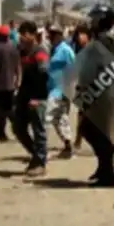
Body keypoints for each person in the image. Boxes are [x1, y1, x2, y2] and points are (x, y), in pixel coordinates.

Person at [76, 4, 114, 187]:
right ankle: (104, 168)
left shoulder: (105, 41)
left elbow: (104, 68)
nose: (91, 21)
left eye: (95, 18)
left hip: (102, 93)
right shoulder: (99, 39)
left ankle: (108, 174)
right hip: (96, 91)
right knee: (92, 130)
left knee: (96, 132)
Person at [14, 21, 50, 177]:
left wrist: (38, 97)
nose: (21, 37)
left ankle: (40, 162)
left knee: (38, 130)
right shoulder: (22, 51)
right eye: (20, 34)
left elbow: (44, 75)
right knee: (18, 128)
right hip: (24, 95)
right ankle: (36, 155)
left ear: (32, 35)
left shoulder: (40, 51)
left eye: (24, 34)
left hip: (37, 96)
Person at [46, 25, 75, 159]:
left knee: (46, 118)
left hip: (60, 90)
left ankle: (41, 150)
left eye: (53, 34)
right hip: (52, 89)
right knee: (60, 120)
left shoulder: (65, 50)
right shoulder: (53, 49)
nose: (50, 37)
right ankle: (68, 147)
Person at [0, 25, 20, 142]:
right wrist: (18, 80)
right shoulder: (13, 48)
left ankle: (2, 135)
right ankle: (18, 128)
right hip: (11, 85)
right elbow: (18, 66)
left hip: (0, 85)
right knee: (10, 109)